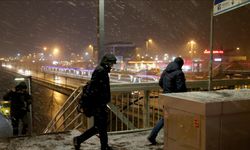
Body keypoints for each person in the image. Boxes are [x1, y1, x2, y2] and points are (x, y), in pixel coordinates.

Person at [73, 53, 117, 150]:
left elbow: (97, 88)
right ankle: (103, 146)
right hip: (98, 104)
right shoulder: (100, 71)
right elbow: (94, 88)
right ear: (107, 63)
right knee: (101, 126)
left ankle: (79, 140)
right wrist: (99, 103)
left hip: (100, 103)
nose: (112, 66)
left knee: (99, 127)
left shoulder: (101, 70)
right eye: (111, 64)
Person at [147, 57, 187, 145]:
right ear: (180, 64)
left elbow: (160, 83)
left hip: (167, 97)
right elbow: (181, 88)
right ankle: (176, 138)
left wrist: (167, 90)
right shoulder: (179, 73)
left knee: (166, 117)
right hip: (176, 98)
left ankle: (154, 136)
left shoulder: (165, 71)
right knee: (179, 117)